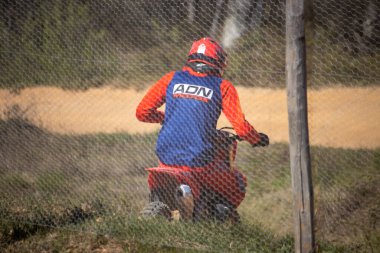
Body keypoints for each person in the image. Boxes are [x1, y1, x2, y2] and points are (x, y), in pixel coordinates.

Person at [136, 37, 269, 169]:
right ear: (219, 62)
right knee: (237, 183)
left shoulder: (170, 78)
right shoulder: (223, 87)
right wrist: (256, 139)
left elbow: (142, 112)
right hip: (199, 161)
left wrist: (164, 118)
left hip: (165, 157)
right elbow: (241, 128)